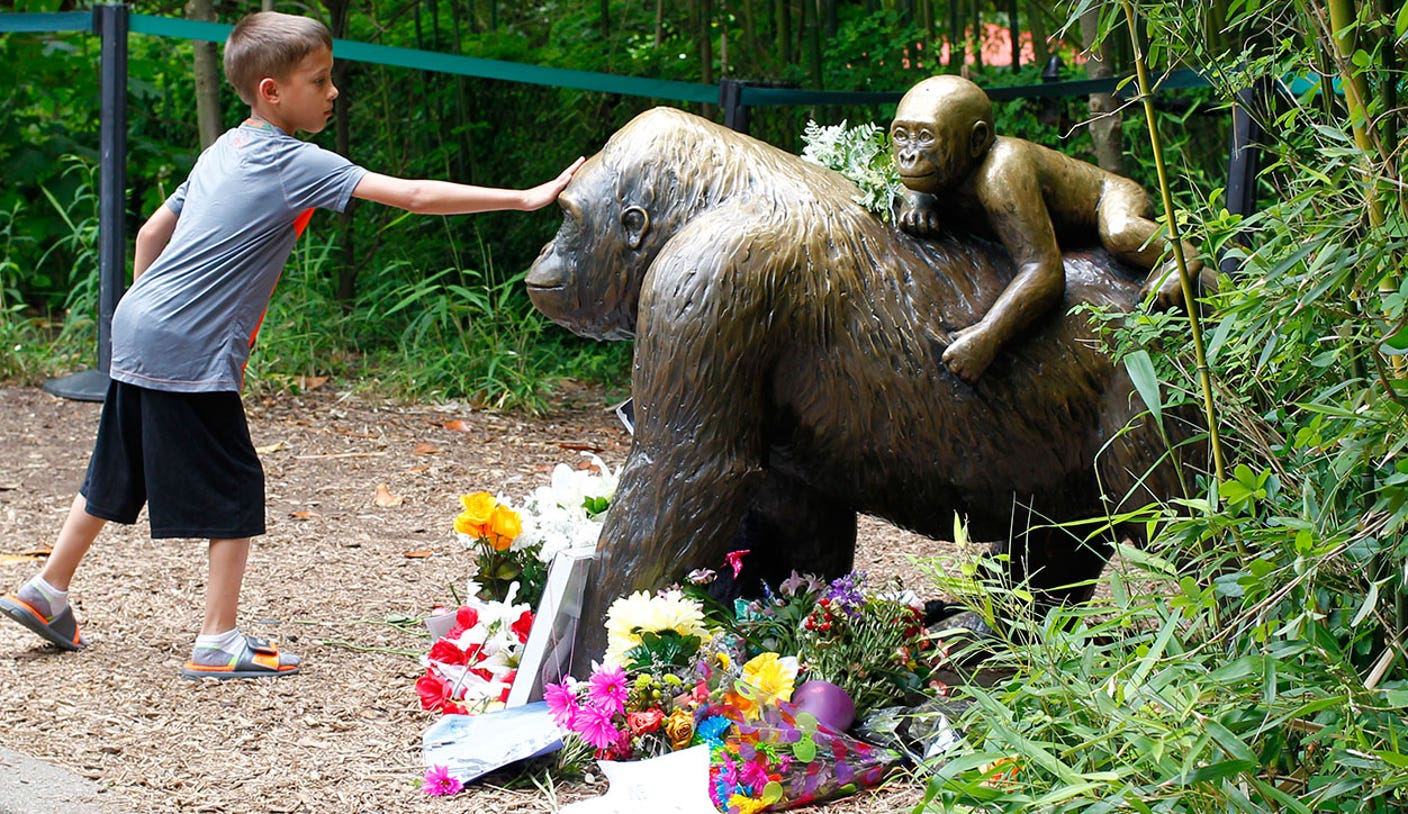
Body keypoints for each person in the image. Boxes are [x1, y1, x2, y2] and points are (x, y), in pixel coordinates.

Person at [0, 11, 584, 679]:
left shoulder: (222, 147)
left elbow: (149, 237)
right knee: (236, 485)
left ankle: (46, 591)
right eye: (320, 80)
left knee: (117, 470)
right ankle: (218, 641)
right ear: (272, 91)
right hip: (184, 346)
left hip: (138, 327)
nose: (333, 92)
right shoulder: (293, 161)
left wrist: (148, 316)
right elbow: (415, 196)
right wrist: (524, 199)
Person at [889, 74, 1204, 383]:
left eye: (926, 137)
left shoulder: (1001, 172)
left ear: (977, 140)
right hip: (1056, 222)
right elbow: (913, 183)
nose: (909, 153)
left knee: (1119, 233)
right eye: (901, 135)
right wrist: (919, 201)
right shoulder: (949, 169)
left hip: (1109, 199)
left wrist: (988, 334)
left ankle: (1182, 255)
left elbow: (1045, 271)